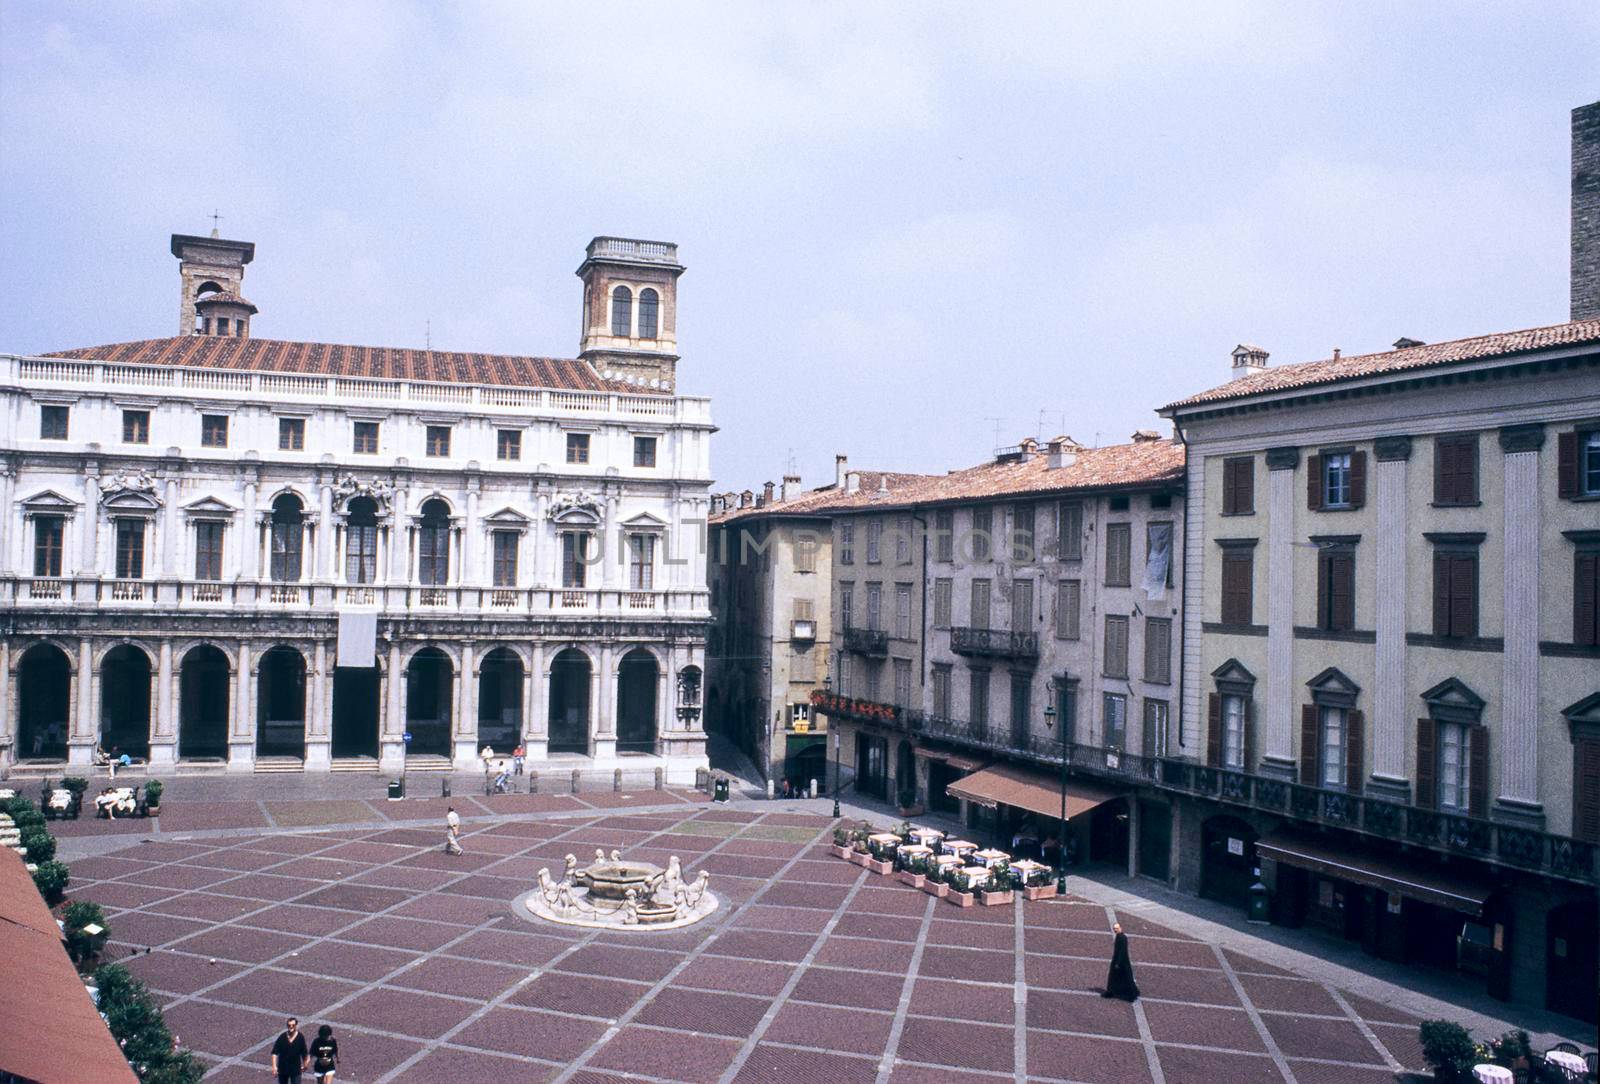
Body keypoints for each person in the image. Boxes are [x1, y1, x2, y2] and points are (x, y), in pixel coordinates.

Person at [1102, 922, 1141, 1001]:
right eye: (1114, 929)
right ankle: (1112, 991)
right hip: (1120, 961)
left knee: (1125, 977)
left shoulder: (1122, 938)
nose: (1115, 930)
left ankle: (1132, 994)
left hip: (1121, 961)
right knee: (1118, 977)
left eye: (1116, 928)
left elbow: (1121, 951)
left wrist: (1118, 962)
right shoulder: (1120, 937)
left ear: (1120, 928)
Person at [271, 1017, 309, 1084]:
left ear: (296, 1025)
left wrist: (305, 1065)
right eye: (289, 1025)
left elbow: (304, 1053)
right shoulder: (282, 1037)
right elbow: (274, 1052)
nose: (291, 1027)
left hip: (295, 1069)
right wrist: (274, 1066)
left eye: (293, 1025)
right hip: (283, 1068)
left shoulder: (300, 1037)